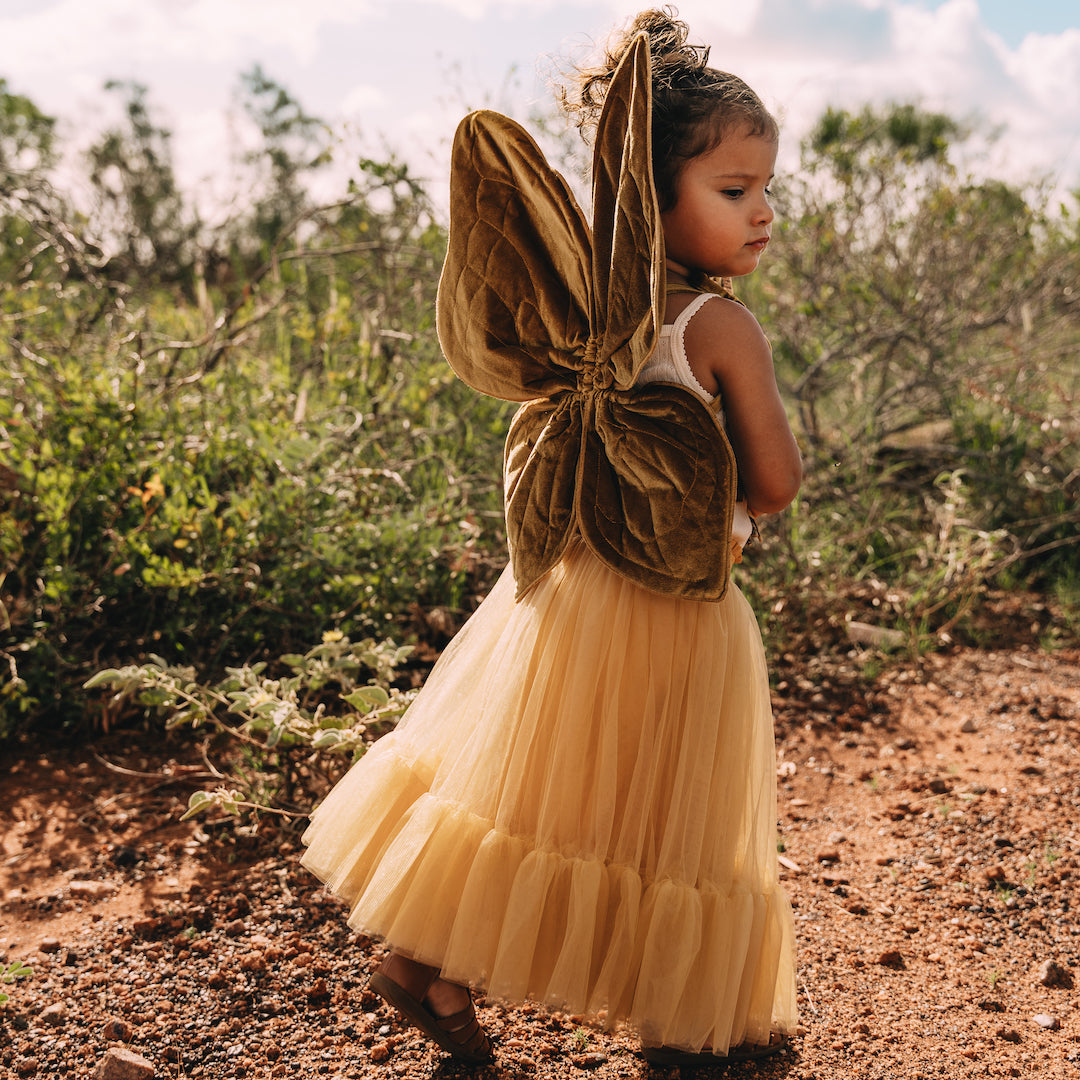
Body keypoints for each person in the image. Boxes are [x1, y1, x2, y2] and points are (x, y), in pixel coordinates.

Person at [300, 7, 801, 1067]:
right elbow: (777, 478)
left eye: (767, 188)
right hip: (677, 610)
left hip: (569, 599)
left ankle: (431, 959)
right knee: (666, 814)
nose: (764, 212)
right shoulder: (718, 329)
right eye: (734, 190)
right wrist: (745, 519)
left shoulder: (584, 336)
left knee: (540, 792)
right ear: (652, 198)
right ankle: (683, 1014)